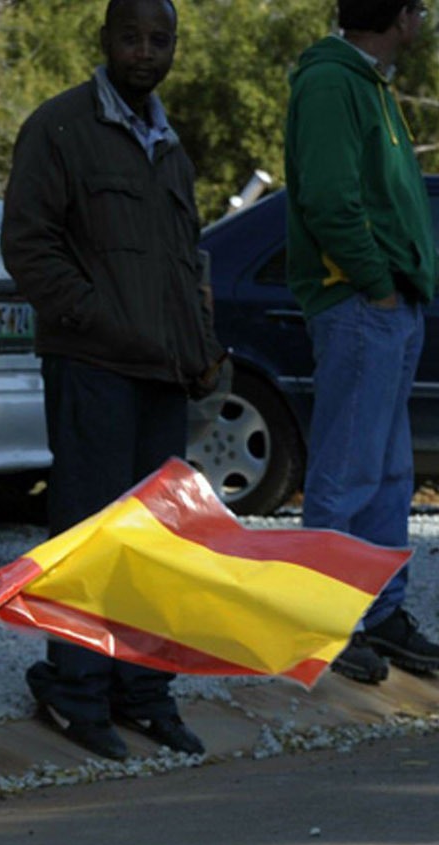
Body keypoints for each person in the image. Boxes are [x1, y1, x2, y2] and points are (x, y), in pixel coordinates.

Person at [0, 0, 226, 761]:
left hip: (164, 376)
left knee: (156, 547)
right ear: (105, 40)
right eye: (131, 36)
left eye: (159, 39)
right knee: (89, 542)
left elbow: (187, 259)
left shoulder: (170, 142)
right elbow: (28, 248)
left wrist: (201, 346)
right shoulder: (60, 127)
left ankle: (143, 694)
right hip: (93, 369)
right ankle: (75, 691)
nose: (145, 52)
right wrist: (98, 321)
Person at [284, 0, 439, 683]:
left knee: (390, 473)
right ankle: (322, 624)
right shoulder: (329, 82)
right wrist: (375, 282)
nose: (427, 20)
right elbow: (327, 197)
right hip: (358, 304)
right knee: (346, 470)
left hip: (390, 305)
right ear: (400, 15)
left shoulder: (367, 80)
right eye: (422, 8)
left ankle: (380, 615)